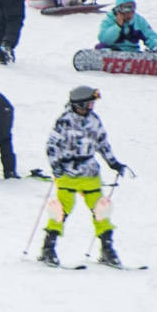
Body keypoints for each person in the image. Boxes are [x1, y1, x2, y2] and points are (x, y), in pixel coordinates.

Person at [39, 84, 125, 268]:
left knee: (101, 209)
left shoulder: (94, 120)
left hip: (90, 172)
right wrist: (56, 167)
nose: (92, 107)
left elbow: (103, 143)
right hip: (68, 172)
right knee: (61, 209)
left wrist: (114, 163)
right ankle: (48, 248)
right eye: (90, 104)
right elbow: (51, 146)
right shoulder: (64, 121)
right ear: (80, 104)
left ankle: (107, 249)